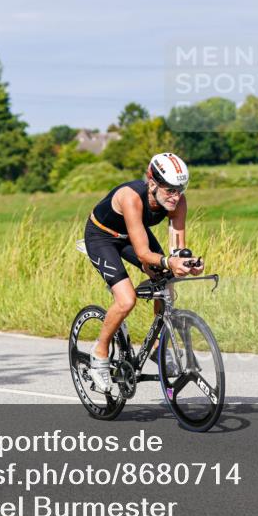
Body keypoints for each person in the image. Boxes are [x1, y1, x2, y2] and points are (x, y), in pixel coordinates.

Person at [83, 152, 204, 392]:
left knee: (167, 286)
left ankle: (158, 346)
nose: (176, 196)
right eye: (170, 190)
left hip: (131, 232)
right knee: (127, 300)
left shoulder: (178, 202)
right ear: (152, 183)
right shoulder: (131, 197)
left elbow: (176, 250)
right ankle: (99, 353)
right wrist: (169, 261)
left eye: (180, 189)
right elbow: (142, 254)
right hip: (102, 237)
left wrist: (187, 264)